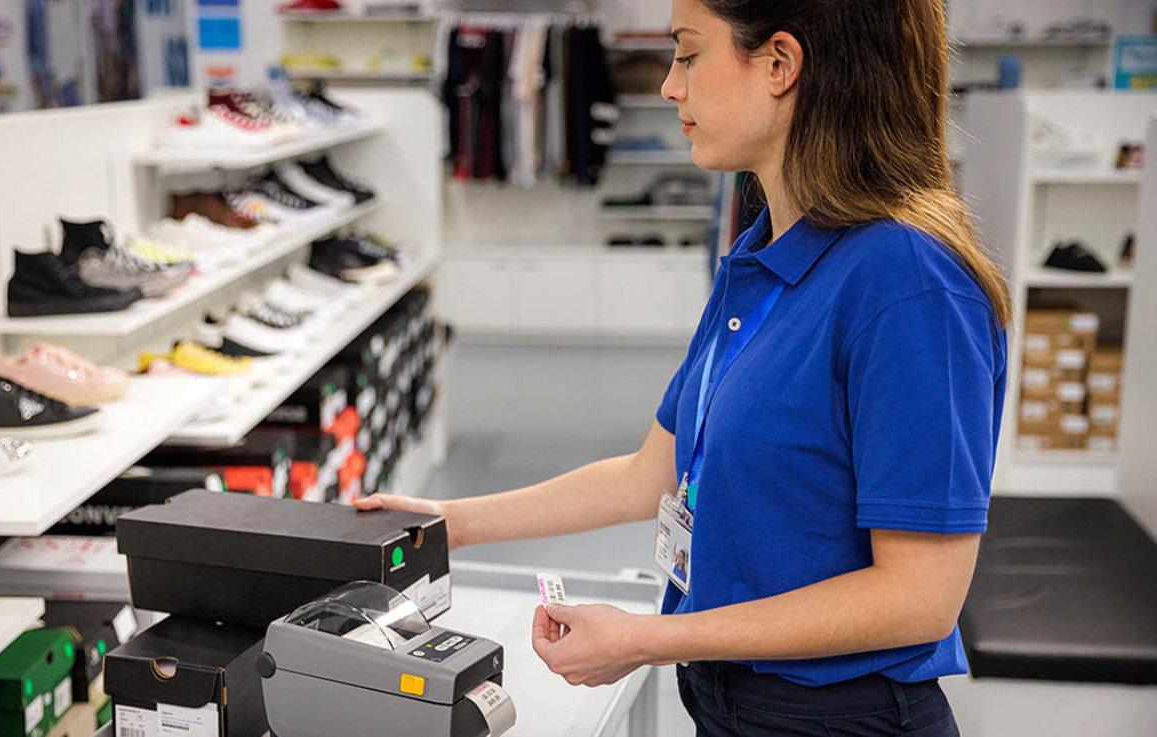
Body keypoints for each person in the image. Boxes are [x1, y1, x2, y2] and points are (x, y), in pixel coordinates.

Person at [356, 0, 1009, 733]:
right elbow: (653, 473)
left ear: (780, 65)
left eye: (688, 55)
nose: (670, 85)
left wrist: (650, 639)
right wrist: (448, 522)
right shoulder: (766, 258)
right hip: (728, 700)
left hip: (842, 717)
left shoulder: (911, 284)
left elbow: (917, 598)